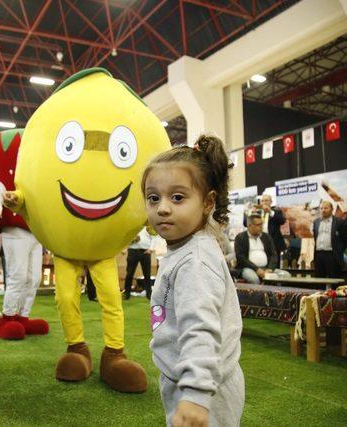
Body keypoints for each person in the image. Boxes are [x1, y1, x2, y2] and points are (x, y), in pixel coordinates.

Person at [143, 135, 243, 426]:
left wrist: (196, 393)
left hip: (204, 388)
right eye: (153, 197)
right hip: (188, 379)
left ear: (207, 202)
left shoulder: (195, 260)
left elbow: (200, 327)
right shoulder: (185, 248)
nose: (162, 208)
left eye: (177, 197)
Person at [235, 214, 278, 284]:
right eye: (258, 225)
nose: (261, 227)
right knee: (254, 279)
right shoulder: (240, 237)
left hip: (267, 268)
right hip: (248, 268)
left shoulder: (266, 237)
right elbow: (240, 257)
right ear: (249, 225)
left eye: (262, 224)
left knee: (285, 275)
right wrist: (256, 269)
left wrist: (270, 269)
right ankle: (259, 295)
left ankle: (273, 294)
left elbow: (274, 255)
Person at [313, 200, 345, 278]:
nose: (323, 210)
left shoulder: (339, 222)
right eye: (321, 208)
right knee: (319, 280)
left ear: (332, 209)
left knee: (334, 279)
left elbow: (345, 238)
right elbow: (315, 236)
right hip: (319, 254)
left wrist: (339, 249)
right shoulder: (316, 222)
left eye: (326, 208)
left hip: (332, 255)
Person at [123, 226, 154, 300]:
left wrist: (151, 248)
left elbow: (154, 237)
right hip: (133, 251)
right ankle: (126, 294)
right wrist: (127, 245)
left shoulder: (148, 226)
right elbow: (125, 237)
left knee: (147, 274)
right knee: (129, 274)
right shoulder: (132, 226)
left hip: (146, 251)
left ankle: (149, 295)